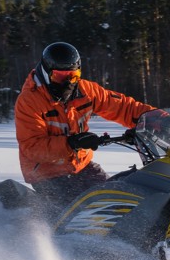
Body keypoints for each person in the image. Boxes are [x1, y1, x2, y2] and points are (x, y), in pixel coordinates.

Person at [14, 42, 155, 214]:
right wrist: (71, 143)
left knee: (117, 201)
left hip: (82, 166)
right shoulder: (30, 101)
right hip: (47, 174)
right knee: (87, 214)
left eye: (73, 76)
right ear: (46, 73)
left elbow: (124, 107)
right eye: (60, 76)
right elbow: (32, 147)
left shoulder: (85, 90)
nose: (67, 82)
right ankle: (66, 239)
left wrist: (156, 118)